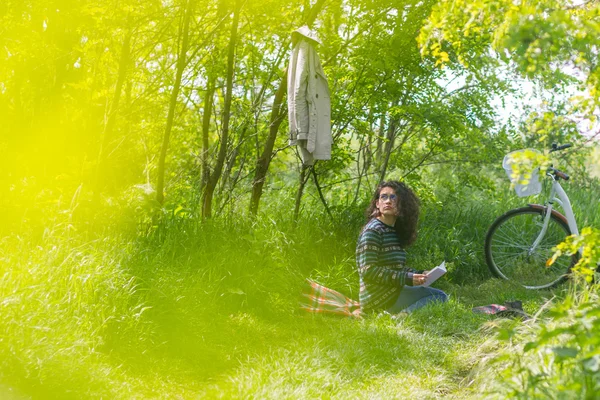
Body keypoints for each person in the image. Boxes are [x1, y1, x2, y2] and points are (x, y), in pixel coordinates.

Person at [357, 180, 448, 314]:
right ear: (377, 203)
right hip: (378, 298)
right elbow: (368, 270)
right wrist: (407, 278)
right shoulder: (373, 231)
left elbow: (395, 268)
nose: (388, 201)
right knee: (439, 297)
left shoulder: (393, 231)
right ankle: (401, 316)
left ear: (402, 204)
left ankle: (402, 313)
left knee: (439, 295)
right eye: (384, 197)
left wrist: (419, 273)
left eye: (393, 197)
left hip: (392, 292)